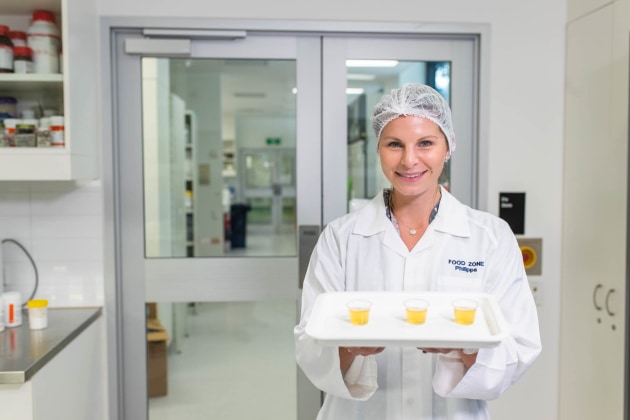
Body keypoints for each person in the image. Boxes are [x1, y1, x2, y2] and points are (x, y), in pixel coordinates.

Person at [293, 83, 542, 419]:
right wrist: (351, 349)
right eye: (394, 144)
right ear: (378, 149)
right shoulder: (341, 238)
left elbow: (519, 347)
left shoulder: (490, 237)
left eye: (426, 143)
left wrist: (463, 347)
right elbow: (310, 344)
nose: (409, 160)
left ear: (448, 146)